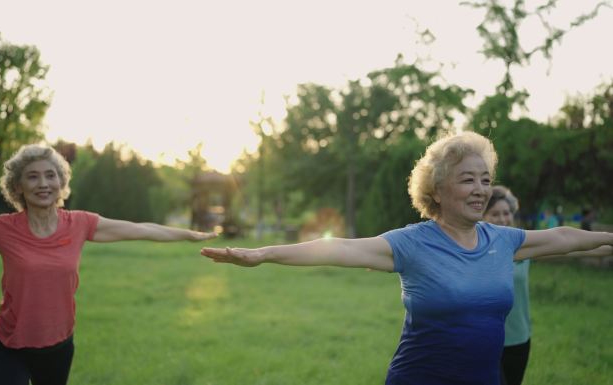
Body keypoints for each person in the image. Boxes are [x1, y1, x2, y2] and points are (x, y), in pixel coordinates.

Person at [200, 131, 613, 385]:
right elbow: (339, 247)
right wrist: (263, 253)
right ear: (436, 190)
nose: (480, 189)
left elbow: (562, 237)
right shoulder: (412, 243)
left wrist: (607, 238)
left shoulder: (503, 241)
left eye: (485, 180)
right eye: (467, 179)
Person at [0, 144, 217, 385]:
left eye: (50, 175)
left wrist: (187, 234)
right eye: (32, 177)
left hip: (58, 346)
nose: (43, 184)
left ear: (61, 182)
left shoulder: (80, 224)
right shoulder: (0, 229)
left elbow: (139, 229)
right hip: (8, 345)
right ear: (18, 186)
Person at [484, 186, 613, 385]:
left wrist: (608, 245)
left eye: (506, 213)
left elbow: (572, 248)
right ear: (483, 218)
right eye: (495, 214)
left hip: (519, 338)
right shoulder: (477, 252)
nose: (502, 219)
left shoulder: (522, 248)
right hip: (487, 341)